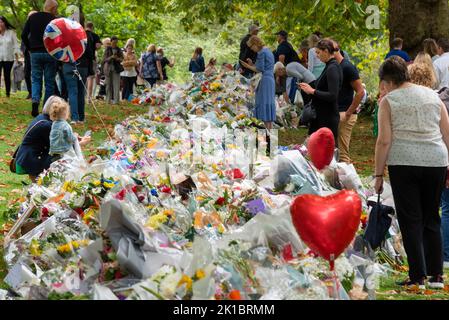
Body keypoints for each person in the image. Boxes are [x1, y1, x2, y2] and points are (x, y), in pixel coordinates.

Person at [374, 56, 449, 289]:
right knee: (431, 217)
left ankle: (418, 275)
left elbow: (384, 141)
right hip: (436, 160)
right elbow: (447, 133)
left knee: (410, 220)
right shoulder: (433, 96)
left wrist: (378, 175)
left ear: (386, 80)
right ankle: (437, 275)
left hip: (404, 163)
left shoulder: (389, 101)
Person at [299, 39, 343, 141]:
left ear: (326, 51)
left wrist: (313, 91)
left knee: (325, 150)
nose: (317, 56)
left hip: (327, 118)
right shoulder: (328, 66)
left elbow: (333, 95)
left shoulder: (333, 68)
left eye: (318, 53)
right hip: (321, 116)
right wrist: (309, 88)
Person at [21, 0, 58, 117]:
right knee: (49, 82)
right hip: (50, 53)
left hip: (35, 53)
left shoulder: (33, 17)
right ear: (52, 8)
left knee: (36, 79)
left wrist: (30, 47)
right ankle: (46, 109)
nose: (56, 11)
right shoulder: (54, 20)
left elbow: (23, 35)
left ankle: (35, 103)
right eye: (56, 8)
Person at [333, 41, 365, 163]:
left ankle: (349, 180)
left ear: (334, 51)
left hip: (345, 114)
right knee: (335, 153)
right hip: (337, 113)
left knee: (342, 155)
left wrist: (348, 113)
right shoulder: (335, 67)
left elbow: (360, 92)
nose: (318, 56)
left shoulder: (347, 67)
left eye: (321, 51)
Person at [240, 36, 276, 130]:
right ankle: (269, 131)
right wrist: (252, 64)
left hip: (264, 80)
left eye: (252, 47)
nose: (252, 49)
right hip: (270, 79)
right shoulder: (268, 51)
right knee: (268, 103)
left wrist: (247, 66)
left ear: (255, 44)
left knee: (263, 102)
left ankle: (265, 132)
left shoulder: (261, 53)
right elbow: (264, 66)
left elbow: (259, 69)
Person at [62, 21, 93, 125]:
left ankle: (74, 118)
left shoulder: (65, 34)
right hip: (82, 66)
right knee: (80, 92)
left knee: (72, 92)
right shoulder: (85, 35)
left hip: (69, 64)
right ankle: (81, 117)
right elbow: (90, 53)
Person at [0, 16, 20, 98]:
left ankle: (7, 93)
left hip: (9, 58)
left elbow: (15, 45)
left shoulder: (11, 32)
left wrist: (17, 57)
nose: (0, 24)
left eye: (1, 22)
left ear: (5, 23)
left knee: (7, 75)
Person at [102, 36, 124, 104]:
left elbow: (122, 59)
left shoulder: (119, 49)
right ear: (111, 42)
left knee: (116, 85)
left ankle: (116, 101)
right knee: (108, 85)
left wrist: (117, 58)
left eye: (116, 42)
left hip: (116, 69)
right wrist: (111, 57)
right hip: (108, 69)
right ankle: (108, 100)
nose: (115, 44)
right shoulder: (107, 49)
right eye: (114, 42)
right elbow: (104, 59)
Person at [85, 22, 102, 101]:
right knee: (90, 78)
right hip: (91, 58)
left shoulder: (81, 33)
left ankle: (81, 96)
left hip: (81, 59)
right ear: (92, 27)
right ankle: (89, 97)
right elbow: (98, 46)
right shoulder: (95, 35)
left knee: (82, 77)